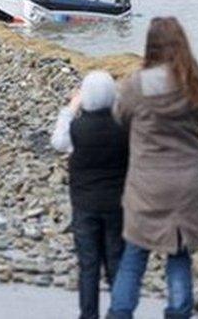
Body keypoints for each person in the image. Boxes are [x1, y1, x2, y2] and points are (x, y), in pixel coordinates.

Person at [106, 17, 198, 319]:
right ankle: (179, 313)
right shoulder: (194, 82)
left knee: (135, 253)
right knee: (179, 256)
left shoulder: (137, 85)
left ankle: (120, 312)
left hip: (148, 184)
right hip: (187, 183)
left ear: (150, 46)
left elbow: (120, 116)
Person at [52, 71, 130, 319]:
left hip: (84, 205)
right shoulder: (123, 129)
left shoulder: (77, 128)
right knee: (116, 263)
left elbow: (58, 143)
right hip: (117, 205)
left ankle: (88, 315)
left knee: (88, 266)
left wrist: (70, 108)